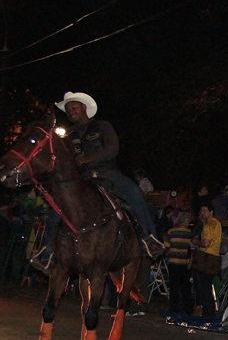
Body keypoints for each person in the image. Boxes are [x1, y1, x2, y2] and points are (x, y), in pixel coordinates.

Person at [53, 92, 164, 260]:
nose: (70, 112)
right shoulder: (68, 136)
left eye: (73, 107)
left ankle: (150, 237)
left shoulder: (103, 126)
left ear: (84, 107)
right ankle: (48, 249)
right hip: (82, 178)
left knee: (134, 192)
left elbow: (113, 149)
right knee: (57, 203)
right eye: (67, 110)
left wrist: (89, 159)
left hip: (107, 173)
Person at [191, 203, 222, 318]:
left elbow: (205, 243)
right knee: (206, 286)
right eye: (201, 211)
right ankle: (208, 311)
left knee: (203, 286)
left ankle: (206, 312)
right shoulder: (216, 224)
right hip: (213, 257)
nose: (202, 213)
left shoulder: (210, 224)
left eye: (205, 210)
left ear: (211, 212)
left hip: (207, 257)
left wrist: (196, 242)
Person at [163, 211, 193, 314]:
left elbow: (166, 246)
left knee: (174, 287)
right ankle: (187, 308)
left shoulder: (171, 232)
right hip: (184, 263)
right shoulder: (189, 233)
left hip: (173, 262)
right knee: (185, 287)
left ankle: (174, 308)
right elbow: (190, 248)